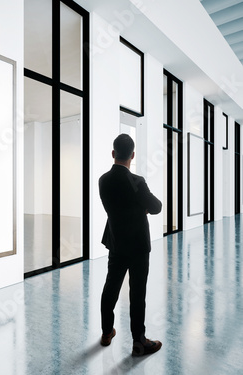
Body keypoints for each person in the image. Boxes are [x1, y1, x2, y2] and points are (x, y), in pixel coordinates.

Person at [98, 133, 162, 357]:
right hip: (138, 247)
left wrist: (135, 208)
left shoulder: (103, 180)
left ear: (113, 153)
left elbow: (114, 207)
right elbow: (156, 207)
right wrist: (140, 208)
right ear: (132, 155)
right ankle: (139, 341)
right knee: (137, 294)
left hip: (116, 244)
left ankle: (107, 332)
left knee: (110, 288)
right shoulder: (137, 181)